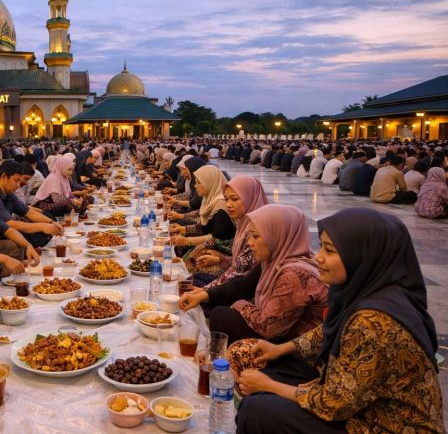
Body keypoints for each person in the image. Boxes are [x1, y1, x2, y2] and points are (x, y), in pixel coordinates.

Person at [230, 208, 444, 433]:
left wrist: (270, 386)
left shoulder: (374, 321)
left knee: (257, 411)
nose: (318, 257)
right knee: (262, 377)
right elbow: (327, 331)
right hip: (354, 399)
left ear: (363, 254)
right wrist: (279, 350)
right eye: (321, 246)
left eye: (330, 250)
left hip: (381, 424)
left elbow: (333, 403)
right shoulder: (369, 291)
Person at [180, 204, 327, 342]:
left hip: (292, 346)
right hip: (272, 326)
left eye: (256, 236)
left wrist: (238, 304)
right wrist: (203, 294)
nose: (250, 242)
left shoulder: (294, 275)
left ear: (276, 235)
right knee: (212, 299)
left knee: (221, 315)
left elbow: (269, 328)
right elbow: (242, 286)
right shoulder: (272, 260)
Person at [193, 176, 268, 289]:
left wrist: (203, 293)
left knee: (191, 282)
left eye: (234, 199)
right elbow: (240, 263)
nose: (228, 204)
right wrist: (219, 260)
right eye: (226, 199)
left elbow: (239, 274)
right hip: (235, 281)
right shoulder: (242, 222)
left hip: (242, 290)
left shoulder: (257, 230)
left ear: (249, 197)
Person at [0, 160, 62, 248]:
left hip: (6, 232)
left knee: (42, 225)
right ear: (4, 177)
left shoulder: (9, 194)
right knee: (25, 239)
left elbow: (28, 212)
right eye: (16, 180)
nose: (18, 185)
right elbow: (10, 224)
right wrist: (42, 226)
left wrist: (51, 222)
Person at [170, 164, 235, 249]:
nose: (195, 186)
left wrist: (187, 241)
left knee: (180, 248)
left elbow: (217, 238)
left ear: (210, 181)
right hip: (211, 242)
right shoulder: (209, 198)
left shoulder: (221, 205)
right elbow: (204, 226)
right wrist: (183, 229)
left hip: (221, 247)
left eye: (199, 182)